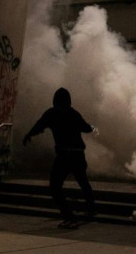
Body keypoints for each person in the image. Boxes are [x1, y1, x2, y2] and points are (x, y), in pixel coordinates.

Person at [23, 87, 97, 229]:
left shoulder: (52, 113)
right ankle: (92, 209)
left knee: (55, 187)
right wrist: (95, 128)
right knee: (83, 182)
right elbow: (87, 128)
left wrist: (29, 135)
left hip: (64, 155)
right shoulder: (74, 113)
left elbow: (39, 125)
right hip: (77, 154)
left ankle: (69, 217)